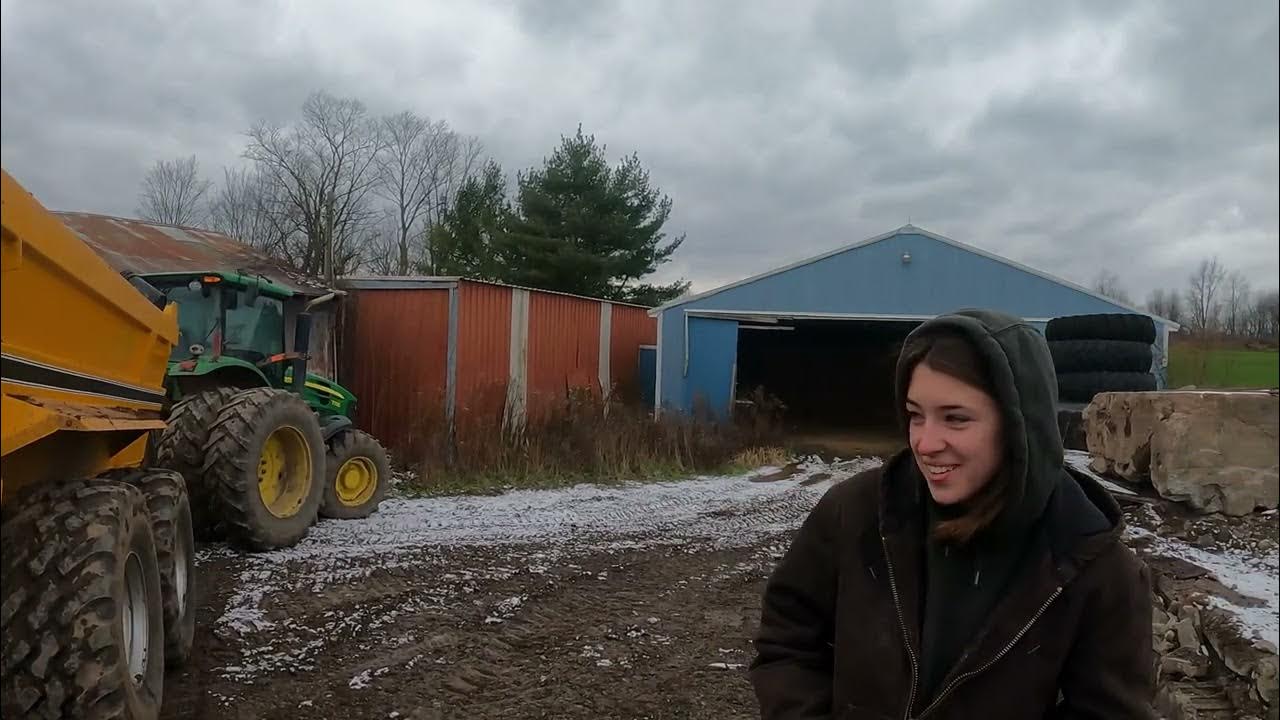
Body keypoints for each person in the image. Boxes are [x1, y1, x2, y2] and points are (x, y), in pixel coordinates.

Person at [750, 309, 1154, 719]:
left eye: (955, 419)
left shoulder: (1091, 564)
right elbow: (787, 638)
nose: (925, 443)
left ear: (1020, 424)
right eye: (915, 415)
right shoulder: (854, 514)